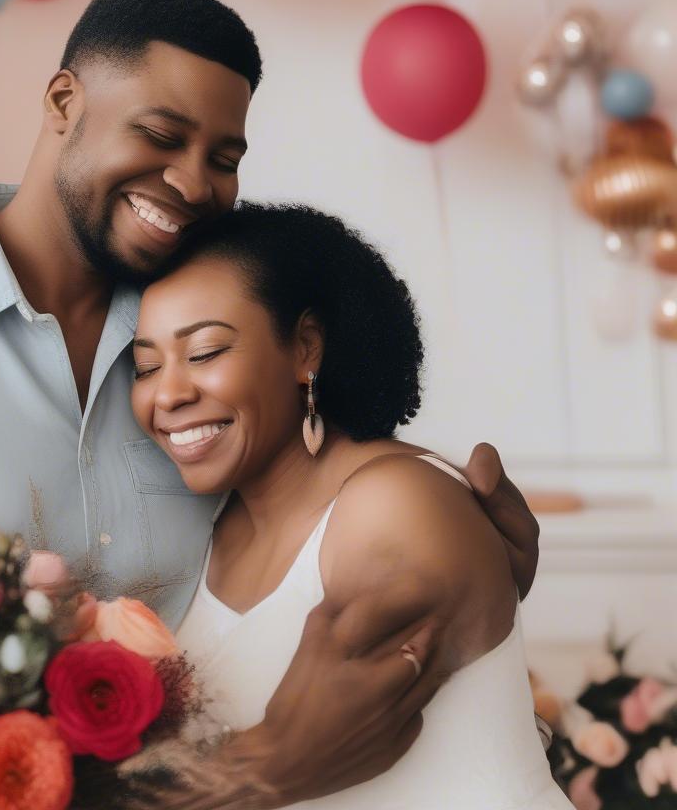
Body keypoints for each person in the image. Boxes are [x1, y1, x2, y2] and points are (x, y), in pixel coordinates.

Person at [0, 0, 541, 806]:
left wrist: (465, 558)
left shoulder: (200, 331)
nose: (191, 182)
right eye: (161, 135)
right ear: (65, 101)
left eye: (223, 159)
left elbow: (328, 521)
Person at [132, 202, 569, 809]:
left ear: (305, 347)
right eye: (145, 365)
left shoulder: (396, 501)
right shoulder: (208, 530)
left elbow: (286, 758)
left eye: (204, 352)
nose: (168, 393)